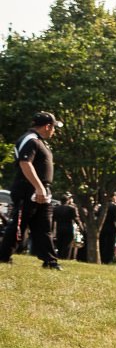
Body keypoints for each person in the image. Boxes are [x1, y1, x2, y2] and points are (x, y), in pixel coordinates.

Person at [0, 111, 63, 269]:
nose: (54, 131)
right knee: (18, 224)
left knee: (43, 226)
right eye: (54, 127)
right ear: (47, 126)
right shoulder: (31, 140)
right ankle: (3, 256)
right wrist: (39, 187)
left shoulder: (38, 140)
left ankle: (50, 261)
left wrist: (43, 188)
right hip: (29, 188)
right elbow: (25, 163)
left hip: (40, 189)